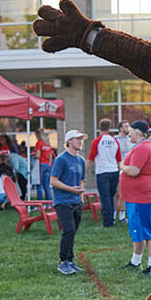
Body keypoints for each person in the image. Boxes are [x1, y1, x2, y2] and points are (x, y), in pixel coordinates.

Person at [119, 120, 151, 275]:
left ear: (138, 132)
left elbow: (133, 170)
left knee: (148, 231)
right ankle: (135, 261)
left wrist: (122, 166)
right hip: (137, 196)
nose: (129, 133)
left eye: (130, 130)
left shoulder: (143, 147)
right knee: (138, 230)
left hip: (141, 197)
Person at [52, 130, 89, 275]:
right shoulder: (61, 160)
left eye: (81, 139)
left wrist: (80, 198)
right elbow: (53, 181)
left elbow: (80, 181)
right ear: (69, 142)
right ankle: (63, 262)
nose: (80, 142)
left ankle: (70, 260)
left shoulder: (81, 160)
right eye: (77, 139)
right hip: (62, 201)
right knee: (68, 231)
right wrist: (70, 190)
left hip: (76, 202)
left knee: (73, 232)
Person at [88, 118, 123, 226]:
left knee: (105, 197)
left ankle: (108, 222)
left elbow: (90, 159)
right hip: (114, 171)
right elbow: (118, 160)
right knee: (111, 196)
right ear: (109, 128)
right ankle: (111, 218)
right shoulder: (114, 141)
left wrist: (83, 173)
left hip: (102, 172)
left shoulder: (97, 141)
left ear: (99, 128)